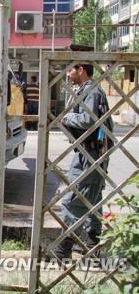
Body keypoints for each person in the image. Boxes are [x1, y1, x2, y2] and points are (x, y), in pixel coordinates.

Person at [54, 64, 113, 259]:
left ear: (81, 70)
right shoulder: (89, 90)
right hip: (89, 153)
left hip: (91, 155)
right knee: (93, 198)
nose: (68, 75)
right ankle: (91, 244)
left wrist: (67, 117)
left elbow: (88, 120)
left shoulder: (92, 91)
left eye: (70, 70)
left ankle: (63, 249)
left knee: (75, 198)